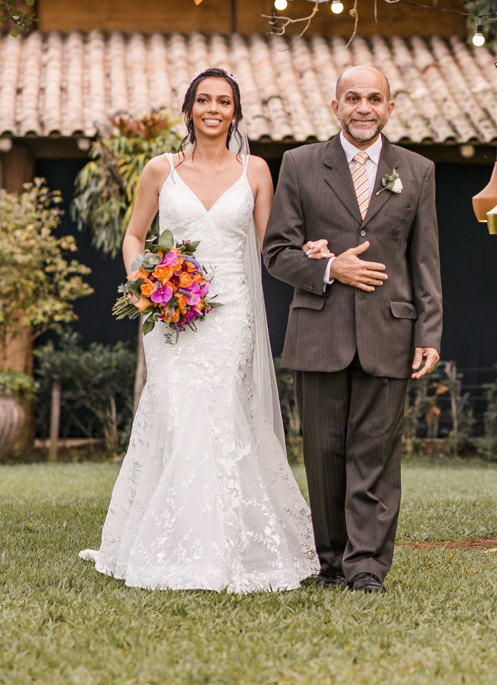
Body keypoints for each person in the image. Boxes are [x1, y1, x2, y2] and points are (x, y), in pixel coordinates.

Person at [80, 68, 319, 592]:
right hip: (170, 315)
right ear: (188, 108)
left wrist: (310, 253)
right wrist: (144, 284)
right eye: (204, 100)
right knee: (178, 411)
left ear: (235, 111)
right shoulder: (158, 170)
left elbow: (270, 247)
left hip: (232, 311)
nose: (214, 109)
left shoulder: (256, 170)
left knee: (222, 414)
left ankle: (228, 545)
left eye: (225, 101)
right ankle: (165, 541)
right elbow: (134, 235)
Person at [263, 65, 443, 593]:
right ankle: (330, 563)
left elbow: (425, 260)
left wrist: (429, 332)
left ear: (390, 107)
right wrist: (327, 268)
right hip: (319, 333)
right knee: (322, 454)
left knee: (376, 454)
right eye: (352, 98)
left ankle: (365, 567)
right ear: (335, 106)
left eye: (374, 98)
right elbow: (276, 252)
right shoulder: (298, 165)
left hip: (391, 332)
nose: (363, 107)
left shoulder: (418, 170)